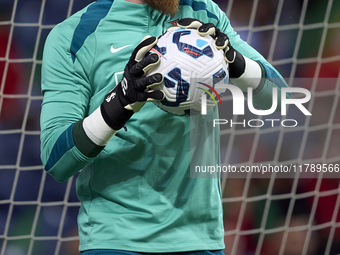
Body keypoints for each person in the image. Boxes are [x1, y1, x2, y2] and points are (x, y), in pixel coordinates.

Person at [40, 0, 288, 254]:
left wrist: (236, 63)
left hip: (201, 240)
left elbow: (282, 98)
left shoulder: (204, 13)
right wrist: (119, 103)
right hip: (117, 240)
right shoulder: (75, 35)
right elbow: (56, 159)